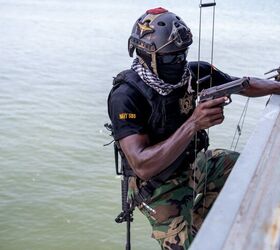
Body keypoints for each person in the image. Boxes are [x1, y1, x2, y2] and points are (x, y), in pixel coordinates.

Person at [107, 7, 280, 249]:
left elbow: (243, 85)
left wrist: (275, 86)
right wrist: (193, 123)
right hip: (158, 188)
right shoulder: (126, 95)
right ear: (147, 55)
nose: (179, 62)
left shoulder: (192, 73)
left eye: (182, 54)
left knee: (246, 169)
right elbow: (142, 165)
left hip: (192, 165)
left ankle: (199, 218)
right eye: (170, 57)